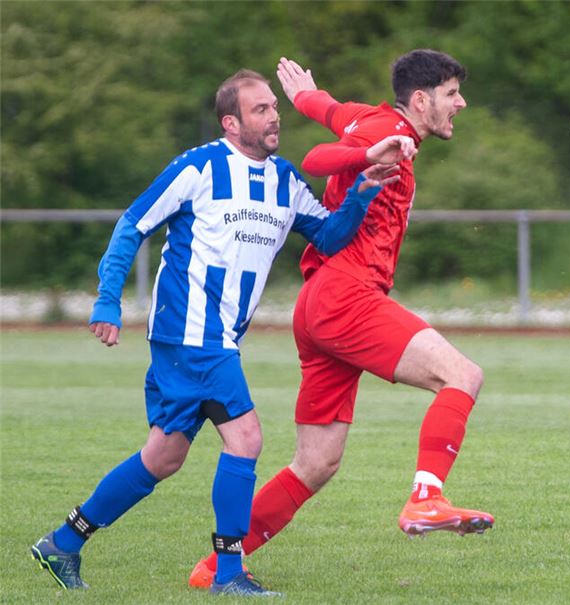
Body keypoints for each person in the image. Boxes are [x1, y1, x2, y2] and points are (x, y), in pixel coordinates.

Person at [30, 68, 403, 596]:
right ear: (231, 122)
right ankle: (229, 574)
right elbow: (132, 224)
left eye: (275, 106)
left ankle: (63, 542)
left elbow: (330, 236)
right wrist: (109, 299)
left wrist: (362, 192)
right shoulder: (200, 167)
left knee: (163, 457)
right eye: (260, 109)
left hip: (218, 337)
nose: (274, 116)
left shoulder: (286, 180)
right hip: (189, 331)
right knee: (246, 438)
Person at [188, 50, 493, 590]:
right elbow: (318, 158)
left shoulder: (371, 116)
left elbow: (326, 109)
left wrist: (305, 95)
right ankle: (426, 498)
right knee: (462, 376)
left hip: (319, 302)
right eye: (452, 93)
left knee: (317, 461)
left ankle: (215, 566)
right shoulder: (385, 131)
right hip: (347, 293)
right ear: (421, 101)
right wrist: (368, 153)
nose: (460, 103)